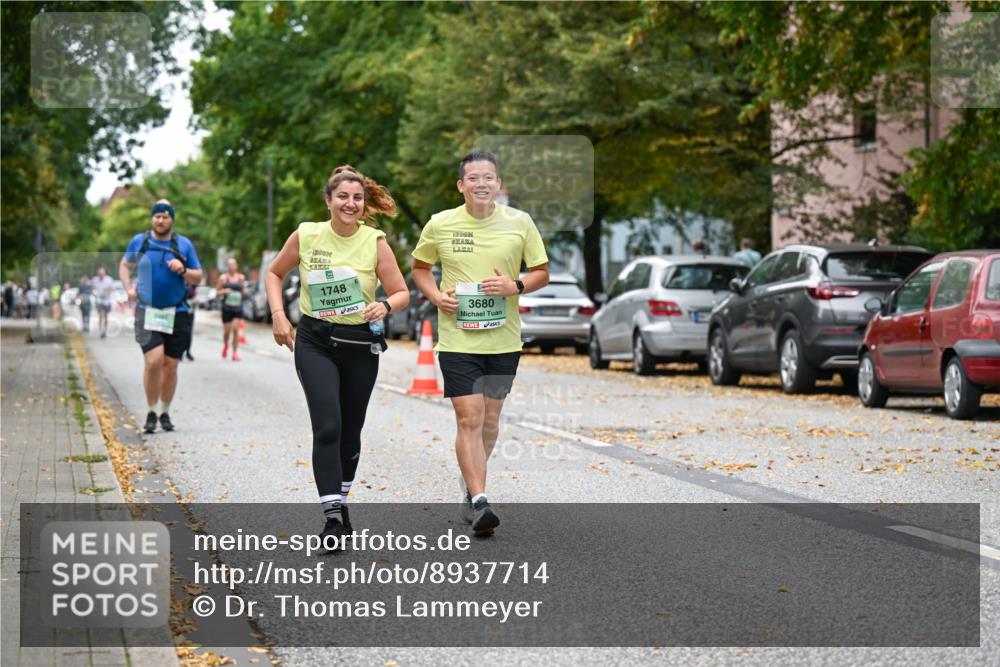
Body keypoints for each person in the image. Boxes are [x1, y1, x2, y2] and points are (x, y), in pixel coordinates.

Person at [266, 165, 409, 546]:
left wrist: (385, 306)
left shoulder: (375, 241)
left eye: (357, 198)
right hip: (315, 341)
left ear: (364, 204)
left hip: (360, 345)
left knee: (351, 432)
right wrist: (280, 316)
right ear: (328, 201)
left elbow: (400, 292)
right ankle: (331, 517)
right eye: (343, 197)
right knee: (328, 425)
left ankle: (340, 500)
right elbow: (274, 273)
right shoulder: (308, 234)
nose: (350, 203)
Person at [412, 149, 549, 535]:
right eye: (473, 178)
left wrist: (515, 285)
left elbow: (541, 272)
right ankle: (481, 498)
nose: (481, 184)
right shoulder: (440, 224)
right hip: (458, 338)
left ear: (499, 184)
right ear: (461, 185)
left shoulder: (520, 222)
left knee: (490, 421)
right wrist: (436, 297)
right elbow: (421, 268)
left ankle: (471, 484)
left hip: (504, 339)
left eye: (488, 177)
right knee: (468, 417)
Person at [119, 199, 203, 434]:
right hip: (147, 310)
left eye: (165, 216)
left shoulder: (183, 244)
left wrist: (183, 270)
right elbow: (125, 265)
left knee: (170, 365)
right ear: (152, 219)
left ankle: (165, 411)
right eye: (157, 216)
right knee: (153, 361)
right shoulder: (141, 241)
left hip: (177, 312)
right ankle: (151, 411)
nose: (161, 220)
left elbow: (199, 277)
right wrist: (128, 289)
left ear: (172, 220)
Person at [217, 257, 248, 361]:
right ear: (228, 266)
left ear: (236, 266)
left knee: (235, 329)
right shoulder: (223, 278)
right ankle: (226, 345)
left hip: (238, 308)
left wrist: (245, 292)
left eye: (233, 264)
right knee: (227, 331)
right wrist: (224, 291)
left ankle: (235, 353)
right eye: (229, 264)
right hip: (227, 308)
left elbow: (244, 291)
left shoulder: (241, 278)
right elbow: (217, 293)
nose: (231, 266)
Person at [92, 266, 115, 338]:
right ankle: (101, 331)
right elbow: (93, 288)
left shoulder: (109, 279)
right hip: (99, 300)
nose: (101, 275)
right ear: (98, 274)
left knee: (106, 316)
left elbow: (112, 289)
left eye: (102, 274)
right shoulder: (95, 280)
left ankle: (104, 330)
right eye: (99, 274)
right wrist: (94, 293)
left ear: (105, 273)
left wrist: (107, 290)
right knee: (100, 315)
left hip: (107, 301)